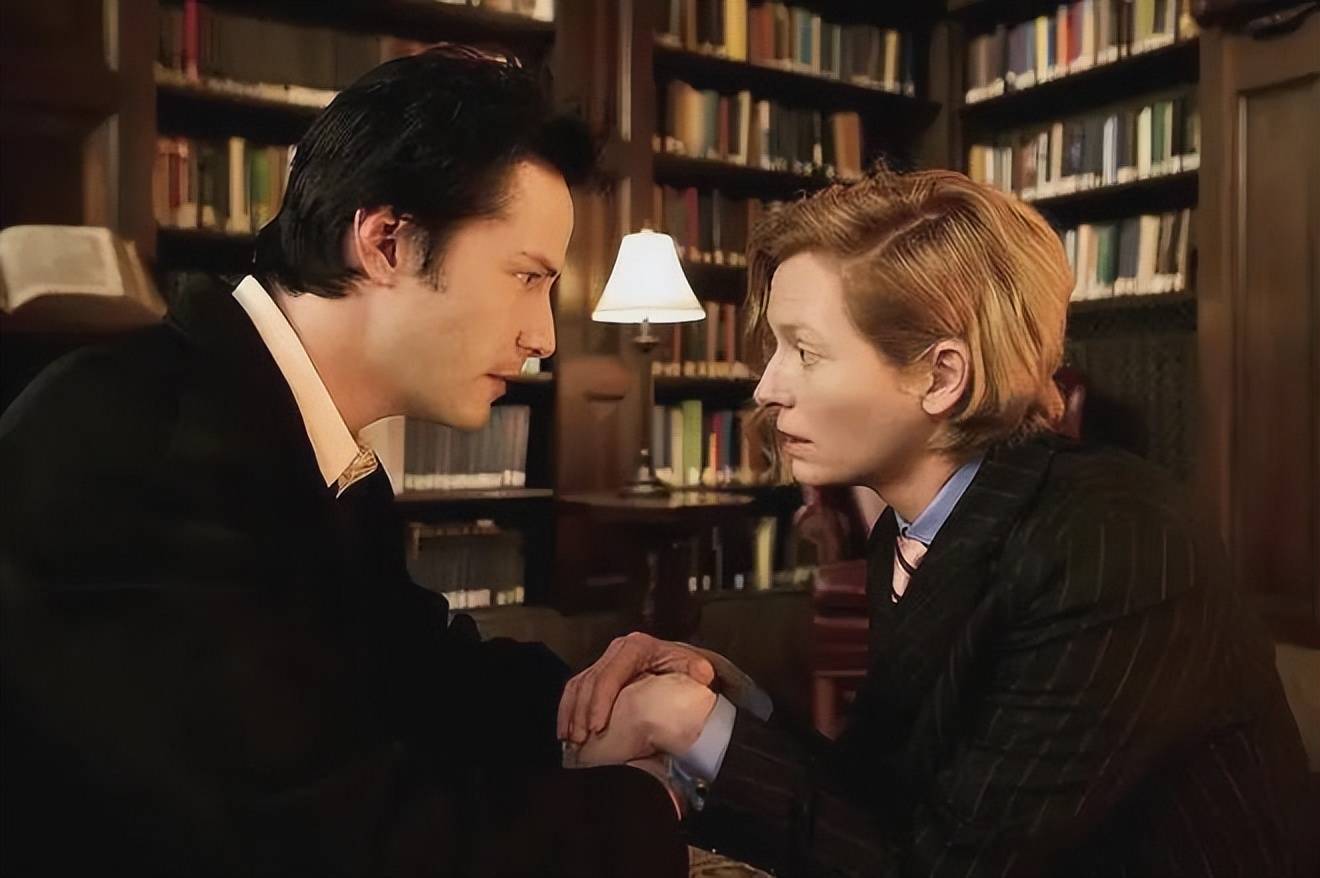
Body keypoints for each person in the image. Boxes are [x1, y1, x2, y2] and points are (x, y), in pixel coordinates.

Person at [0, 47, 686, 877]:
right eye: (525, 277)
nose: (542, 336)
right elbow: (321, 840)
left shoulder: (294, 434)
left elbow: (421, 681)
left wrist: (609, 700)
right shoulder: (145, 450)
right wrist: (651, 806)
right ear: (386, 242)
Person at [558, 168, 1311, 877]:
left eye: (805, 352)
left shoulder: (1113, 542)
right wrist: (722, 696)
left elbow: (947, 865)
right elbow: (878, 797)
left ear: (941, 376)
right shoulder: (915, 526)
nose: (767, 387)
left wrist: (687, 726)